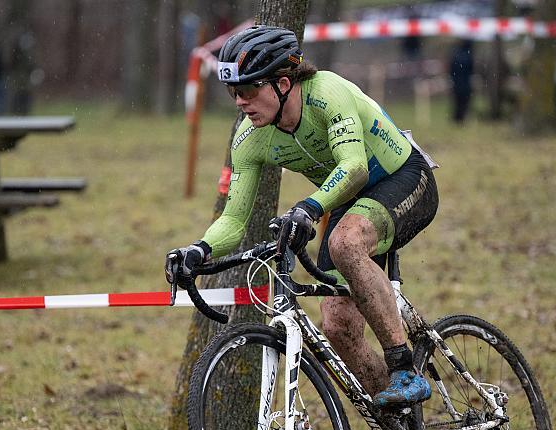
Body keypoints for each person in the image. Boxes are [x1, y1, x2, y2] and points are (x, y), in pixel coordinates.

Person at [166, 26, 439, 408]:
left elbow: (355, 167)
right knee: (337, 325)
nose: (240, 102)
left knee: (344, 242)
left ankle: (404, 368)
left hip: (403, 178)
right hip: (348, 200)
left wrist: (309, 208)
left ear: (282, 83)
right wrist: (199, 250)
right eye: (233, 93)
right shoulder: (250, 138)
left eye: (247, 90)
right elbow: (234, 220)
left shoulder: (327, 93)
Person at [449, 39, 474, 123]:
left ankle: (457, 118)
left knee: (457, 102)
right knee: (464, 102)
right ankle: (461, 118)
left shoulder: (456, 54)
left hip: (457, 83)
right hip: (465, 83)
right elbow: (471, 69)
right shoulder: (468, 55)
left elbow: (451, 69)